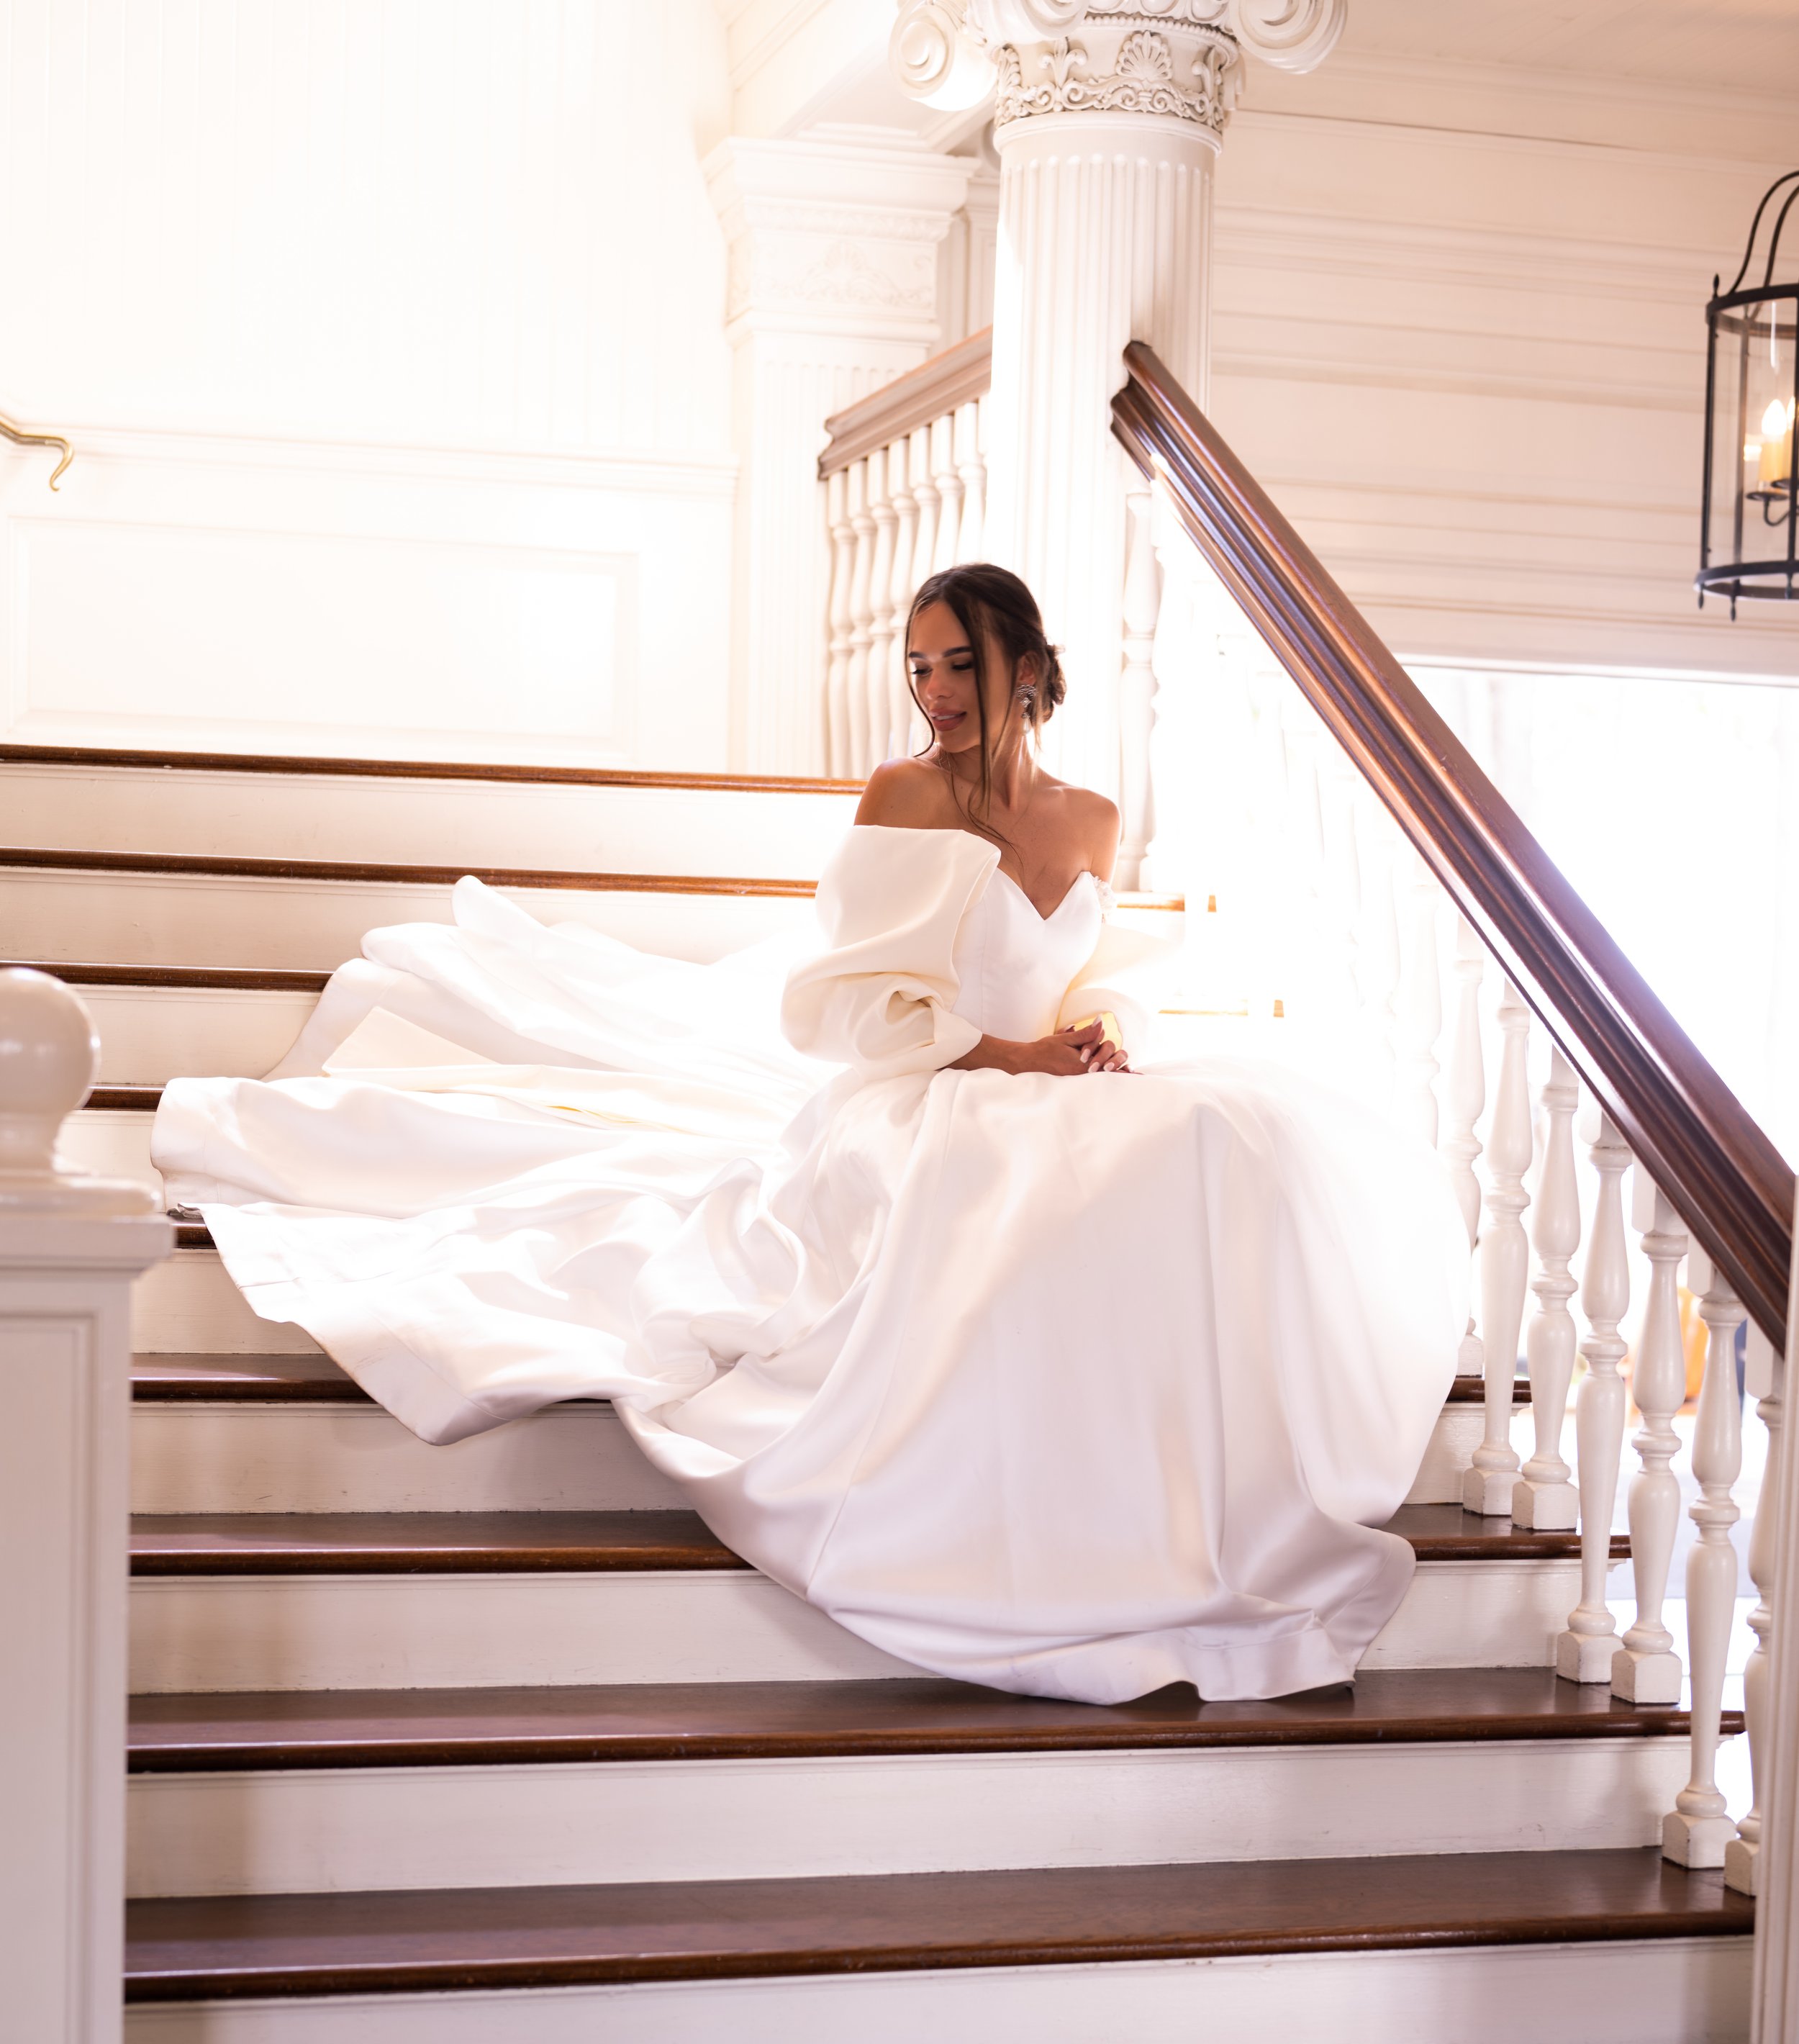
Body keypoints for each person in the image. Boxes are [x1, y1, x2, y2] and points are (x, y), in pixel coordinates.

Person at [152, 563, 1468, 1704]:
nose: (937, 690)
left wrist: (1100, 1027)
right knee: (1013, 1192)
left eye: (960, 662)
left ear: (1025, 664)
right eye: (920, 667)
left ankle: (1210, 1499)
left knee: (1239, 1132)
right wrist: (1006, 1054)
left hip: (1040, 1076)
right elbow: (850, 1003)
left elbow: (1092, 968)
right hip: (920, 1083)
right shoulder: (906, 797)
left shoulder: (1093, 819)